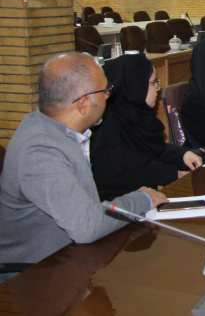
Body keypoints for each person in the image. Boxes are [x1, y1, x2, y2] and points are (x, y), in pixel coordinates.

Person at [0, 52, 166, 282]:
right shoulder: (40, 150)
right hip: (37, 277)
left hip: (72, 259)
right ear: (84, 104)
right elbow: (87, 226)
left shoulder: (58, 130)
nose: (109, 95)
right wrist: (142, 199)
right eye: (105, 90)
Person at [90, 54, 202, 196]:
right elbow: (127, 173)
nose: (158, 88)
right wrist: (172, 174)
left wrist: (182, 154)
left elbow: (154, 149)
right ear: (136, 85)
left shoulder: (137, 116)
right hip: (124, 201)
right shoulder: (106, 128)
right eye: (154, 82)